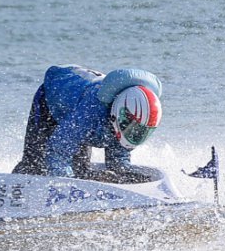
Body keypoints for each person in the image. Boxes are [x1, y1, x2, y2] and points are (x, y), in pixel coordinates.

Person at [11, 65, 163, 182]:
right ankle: (12, 187)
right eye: (133, 128)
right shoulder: (88, 115)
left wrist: (127, 177)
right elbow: (57, 151)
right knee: (35, 163)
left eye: (141, 131)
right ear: (121, 114)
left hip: (79, 108)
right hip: (50, 101)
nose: (134, 134)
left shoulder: (125, 125)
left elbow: (118, 162)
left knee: (80, 170)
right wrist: (66, 184)